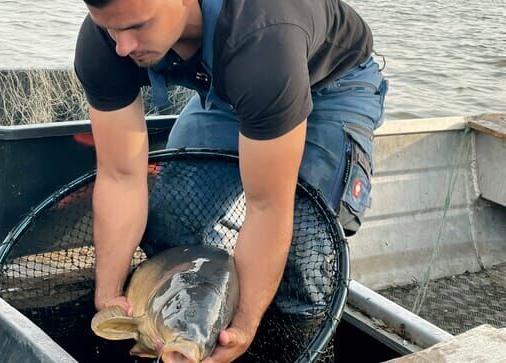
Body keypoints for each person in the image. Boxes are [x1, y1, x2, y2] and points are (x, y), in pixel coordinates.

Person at [74, 0, 388, 361]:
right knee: (175, 215)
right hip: (230, 91)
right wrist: (109, 296)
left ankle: (287, 343)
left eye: (138, 27)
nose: (123, 46)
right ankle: (188, 330)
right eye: (113, 29)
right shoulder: (106, 41)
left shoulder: (263, 35)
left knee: (305, 250)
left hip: (330, 85)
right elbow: (119, 175)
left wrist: (245, 324)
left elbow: (268, 206)